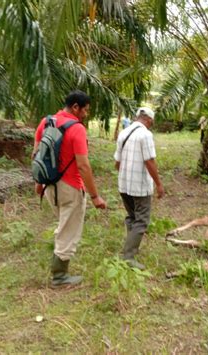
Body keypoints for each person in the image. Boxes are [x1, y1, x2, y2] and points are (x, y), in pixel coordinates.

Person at [32, 90, 107, 287]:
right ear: (75, 107)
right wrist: (95, 196)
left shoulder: (45, 122)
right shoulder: (77, 129)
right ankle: (60, 276)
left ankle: (60, 266)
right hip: (71, 187)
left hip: (50, 186)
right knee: (69, 230)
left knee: (63, 224)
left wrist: (39, 183)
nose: (86, 114)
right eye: (85, 110)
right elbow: (83, 165)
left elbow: (36, 155)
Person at [113, 107, 165, 270]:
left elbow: (117, 162)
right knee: (142, 219)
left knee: (132, 216)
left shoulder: (124, 133)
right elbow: (149, 161)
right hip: (139, 185)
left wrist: (125, 174)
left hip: (124, 184)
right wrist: (159, 184)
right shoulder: (145, 135)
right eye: (152, 122)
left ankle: (131, 248)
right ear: (149, 120)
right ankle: (128, 256)